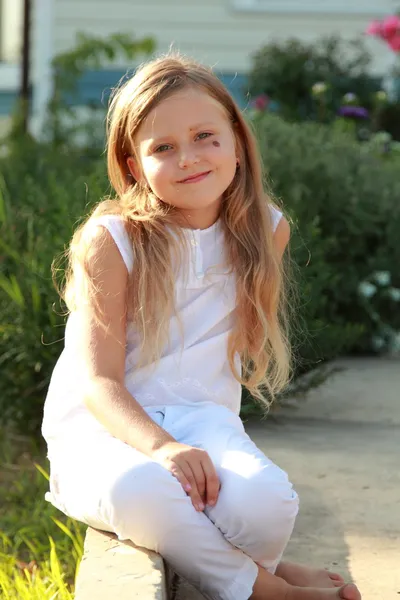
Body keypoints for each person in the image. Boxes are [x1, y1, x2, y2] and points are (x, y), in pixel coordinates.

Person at [41, 53, 361, 600]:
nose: (188, 158)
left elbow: (231, 349)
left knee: (268, 505)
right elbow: (99, 384)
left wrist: (192, 441)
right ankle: (270, 589)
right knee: (146, 490)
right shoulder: (113, 240)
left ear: (237, 141)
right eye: (163, 147)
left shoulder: (266, 231)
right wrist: (163, 448)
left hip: (202, 420)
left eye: (205, 136)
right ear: (134, 164)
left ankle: (267, 571)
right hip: (108, 431)